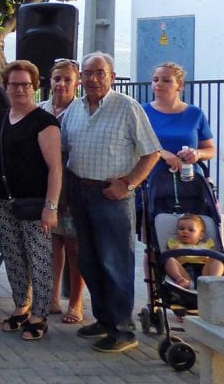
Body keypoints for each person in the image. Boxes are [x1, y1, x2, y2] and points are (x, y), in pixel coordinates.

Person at [63, 52, 160, 353]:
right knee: (90, 261)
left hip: (111, 196)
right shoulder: (74, 110)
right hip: (81, 192)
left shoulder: (127, 108)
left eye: (99, 73)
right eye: (88, 73)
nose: (93, 79)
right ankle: (105, 319)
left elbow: (152, 153)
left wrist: (127, 183)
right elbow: (64, 148)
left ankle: (122, 330)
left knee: (115, 262)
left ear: (112, 77)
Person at [0, 60, 63, 341]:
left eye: (25, 85)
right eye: (14, 84)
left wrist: (50, 206)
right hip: (3, 199)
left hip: (34, 201)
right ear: (6, 87)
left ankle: (41, 315)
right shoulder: (4, 117)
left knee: (39, 258)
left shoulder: (44, 122)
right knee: (14, 258)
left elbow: (55, 167)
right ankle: (22, 305)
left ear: (34, 87)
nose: (20, 89)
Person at [40, 58, 86, 325]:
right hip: (47, 185)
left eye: (67, 79)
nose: (61, 84)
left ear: (76, 82)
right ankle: (52, 296)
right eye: (57, 78)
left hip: (73, 184)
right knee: (51, 243)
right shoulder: (42, 109)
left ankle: (76, 302)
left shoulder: (81, 110)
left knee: (73, 245)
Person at [141, 62, 216, 190]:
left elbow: (210, 149)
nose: (158, 84)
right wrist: (161, 153)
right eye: (155, 80)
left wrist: (196, 154)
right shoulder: (141, 112)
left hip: (189, 184)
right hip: (151, 183)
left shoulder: (195, 114)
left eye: (166, 80)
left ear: (180, 86)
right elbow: (134, 146)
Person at [163, 214, 224, 289]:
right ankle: (180, 279)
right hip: (184, 271)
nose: (185, 232)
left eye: (191, 230)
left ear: (201, 235)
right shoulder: (174, 243)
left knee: (217, 259)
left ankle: (214, 281)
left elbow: (212, 259)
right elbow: (166, 256)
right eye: (181, 229)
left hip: (205, 272)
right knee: (169, 260)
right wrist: (173, 251)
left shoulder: (206, 244)